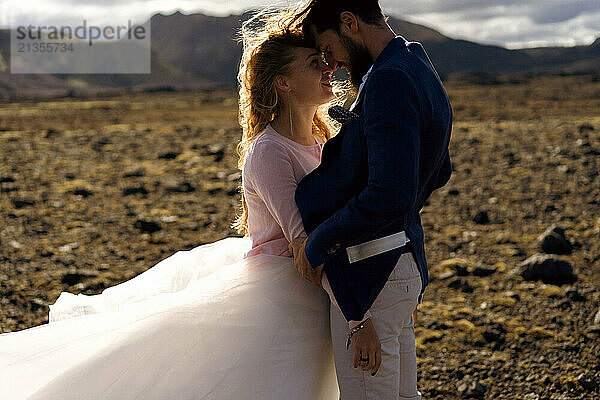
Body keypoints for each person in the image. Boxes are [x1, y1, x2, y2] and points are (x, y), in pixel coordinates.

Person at [0, 9, 345, 399]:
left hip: (312, 291)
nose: (329, 68)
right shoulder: (269, 151)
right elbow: (302, 243)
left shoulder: (324, 142)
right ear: (283, 82)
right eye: (315, 63)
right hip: (285, 294)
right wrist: (362, 308)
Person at [286, 1, 454, 399]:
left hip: (373, 272)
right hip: (404, 262)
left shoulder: (388, 80)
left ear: (349, 22)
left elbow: (389, 192)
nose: (334, 64)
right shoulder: (418, 64)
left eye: (329, 49)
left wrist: (317, 244)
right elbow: (439, 168)